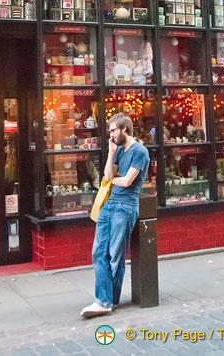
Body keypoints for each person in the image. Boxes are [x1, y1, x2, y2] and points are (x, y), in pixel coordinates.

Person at [81, 112, 150, 318]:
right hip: (109, 205)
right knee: (98, 252)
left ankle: (106, 300)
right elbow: (108, 176)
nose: (110, 135)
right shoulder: (119, 149)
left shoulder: (140, 152)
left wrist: (113, 181)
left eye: (113, 130)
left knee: (115, 256)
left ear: (124, 129)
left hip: (125, 207)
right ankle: (106, 299)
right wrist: (111, 153)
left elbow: (127, 181)